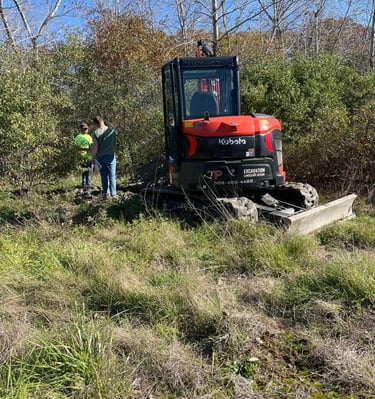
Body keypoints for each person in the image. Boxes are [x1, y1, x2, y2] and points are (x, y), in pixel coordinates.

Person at [91, 115, 118, 198]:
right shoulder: (111, 131)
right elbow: (114, 143)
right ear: (102, 120)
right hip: (110, 156)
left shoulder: (95, 133)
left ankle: (106, 193)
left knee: (103, 176)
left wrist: (93, 157)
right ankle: (113, 194)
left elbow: (95, 147)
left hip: (100, 157)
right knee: (112, 176)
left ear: (95, 124)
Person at [74, 122, 93, 188]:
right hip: (81, 156)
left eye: (86, 129)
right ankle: (84, 184)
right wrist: (84, 149)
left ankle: (89, 184)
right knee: (84, 170)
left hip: (89, 156)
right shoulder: (78, 137)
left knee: (90, 170)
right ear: (81, 129)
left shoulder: (89, 137)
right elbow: (76, 147)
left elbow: (91, 146)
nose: (85, 130)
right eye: (84, 129)